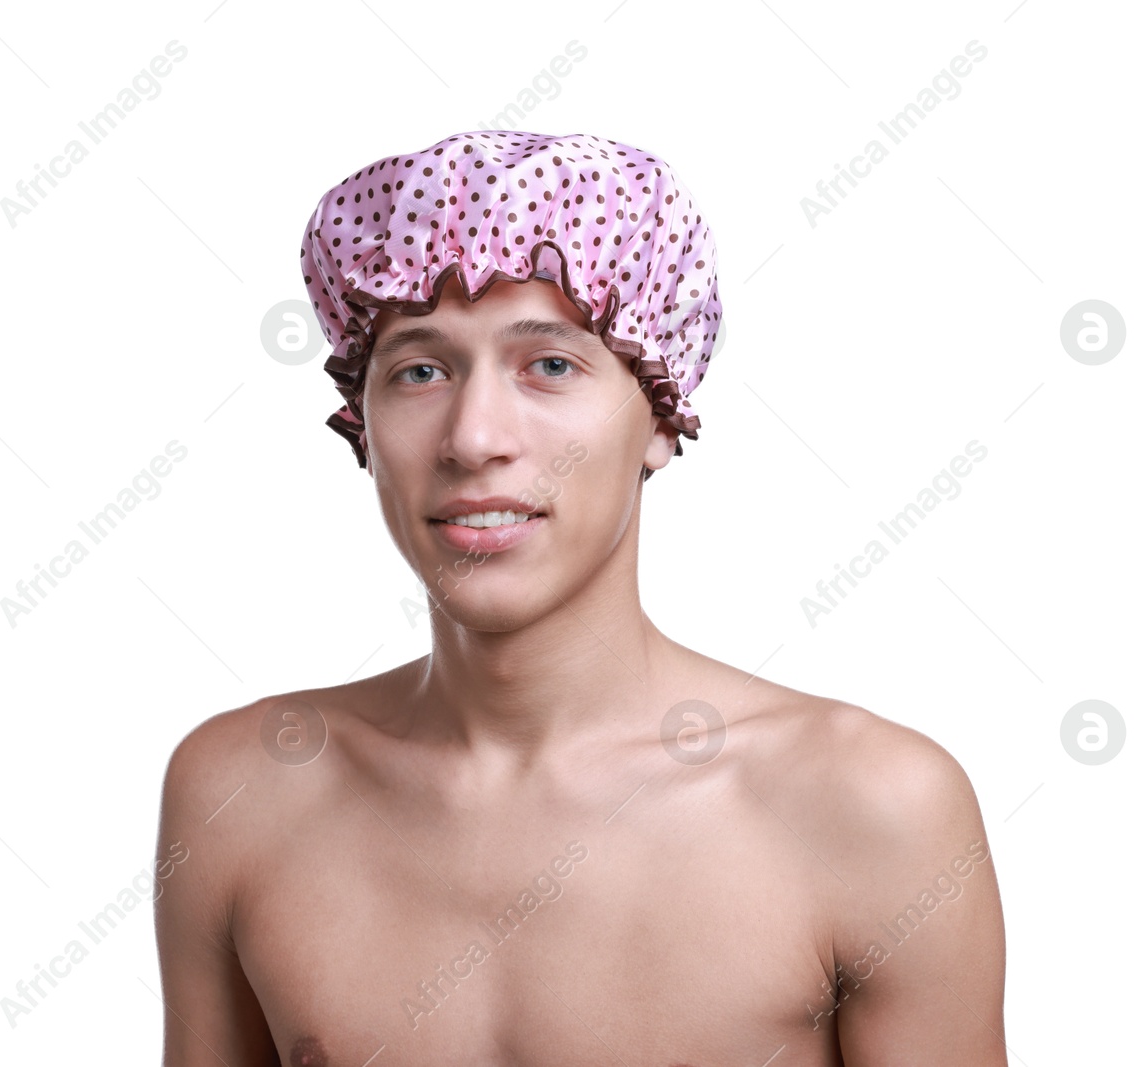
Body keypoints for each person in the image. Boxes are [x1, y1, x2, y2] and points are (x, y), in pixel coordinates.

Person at [154, 131, 1006, 1066]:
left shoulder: (869, 807)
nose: (475, 436)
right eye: (420, 370)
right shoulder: (242, 793)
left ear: (661, 416)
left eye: (550, 365)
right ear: (362, 421)